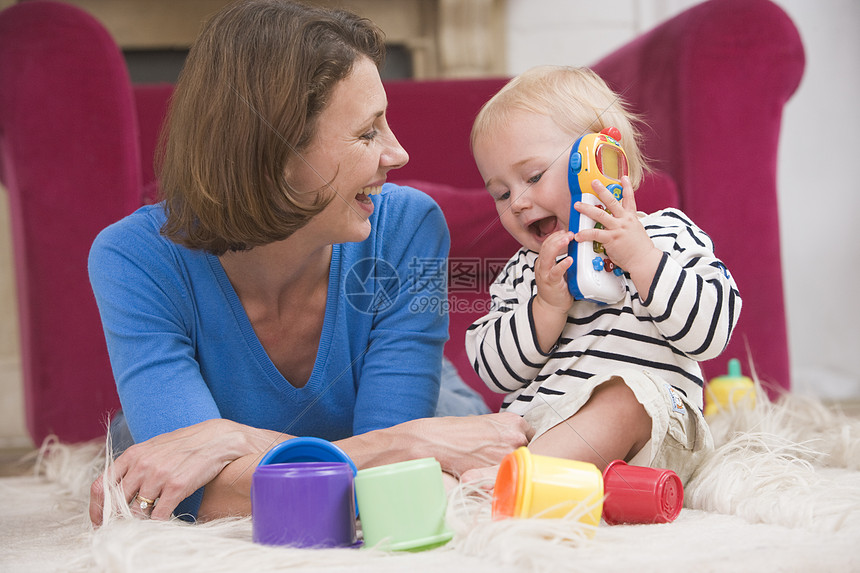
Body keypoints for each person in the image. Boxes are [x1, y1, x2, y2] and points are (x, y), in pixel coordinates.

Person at [87, 0, 531, 525]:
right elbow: (189, 493)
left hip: (432, 410)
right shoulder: (134, 259)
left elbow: (391, 480)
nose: (398, 154)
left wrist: (229, 441)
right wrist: (406, 445)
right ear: (272, 153)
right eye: (367, 133)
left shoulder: (410, 228)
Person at [462, 66, 741, 485]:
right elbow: (491, 369)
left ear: (604, 161)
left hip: (652, 435)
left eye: (533, 177)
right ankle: (517, 477)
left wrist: (642, 259)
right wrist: (546, 307)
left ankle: (514, 484)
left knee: (628, 397)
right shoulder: (525, 270)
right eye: (501, 193)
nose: (517, 203)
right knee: (478, 437)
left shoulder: (666, 234)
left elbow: (710, 332)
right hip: (542, 432)